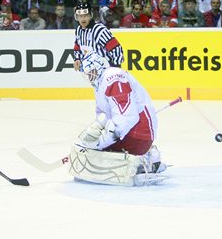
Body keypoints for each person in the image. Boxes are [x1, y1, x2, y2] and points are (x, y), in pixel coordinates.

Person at [70, 51, 167, 186]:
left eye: (90, 71)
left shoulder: (113, 77)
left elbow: (128, 117)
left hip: (139, 133)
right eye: (85, 73)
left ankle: (147, 159)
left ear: (98, 68)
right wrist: (95, 132)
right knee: (92, 144)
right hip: (129, 133)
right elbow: (102, 115)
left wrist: (100, 143)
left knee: (96, 152)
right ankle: (146, 155)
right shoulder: (99, 84)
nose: (87, 76)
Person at [73, 2, 124, 71]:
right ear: (76, 17)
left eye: (86, 15)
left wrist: (116, 69)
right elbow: (77, 46)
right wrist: (77, 59)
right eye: (80, 16)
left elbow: (116, 48)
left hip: (106, 71)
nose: (83, 19)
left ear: (91, 15)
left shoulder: (99, 30)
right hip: (92, 72)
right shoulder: (79, 30)